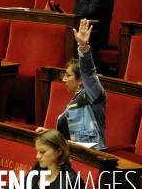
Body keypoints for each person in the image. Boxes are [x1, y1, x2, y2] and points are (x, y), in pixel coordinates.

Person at [36, 20, 107, 151]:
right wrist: (50, 134)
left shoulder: (93, 97)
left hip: (91, 157)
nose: (64, 80)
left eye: (68, 76)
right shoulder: (75, 100)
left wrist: (83, 46)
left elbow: (89, 74)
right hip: (73, 154)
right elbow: (70, 138)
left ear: (81, 80)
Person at [17, 130, 85, 189]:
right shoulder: (39, 168)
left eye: (42, 152)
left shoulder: (73, 183)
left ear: (58, 152)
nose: (37, 156)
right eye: (37, 151)